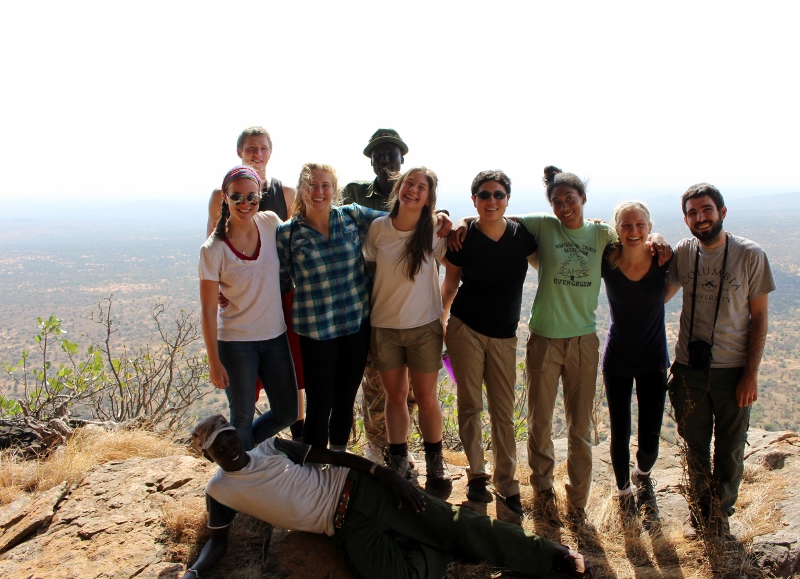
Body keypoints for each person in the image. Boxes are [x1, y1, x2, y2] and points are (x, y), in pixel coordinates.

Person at [180, 414, 596, 579]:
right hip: (342, 527)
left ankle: (552, 555)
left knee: (460, 524)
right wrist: (195, 573)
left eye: (230, 438)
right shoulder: (219, 490)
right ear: (209, 456)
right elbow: (218, 541)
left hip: (363, 490)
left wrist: (386, 475)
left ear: (238, 434)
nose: (230, 448)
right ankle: (437, 547)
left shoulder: (270, 448)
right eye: (220, 448)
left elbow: (331, 456)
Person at [665, 183, 775, 539]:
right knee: (694, 446)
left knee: (730, 448)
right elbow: (660, 294)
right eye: (693, 213)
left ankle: (720, 515)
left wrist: (750, 374)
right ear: (686, 219)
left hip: (732, 370)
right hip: (688, 369)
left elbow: (759, 319)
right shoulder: (684, 251)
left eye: (707, 210)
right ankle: (700, 513)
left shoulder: (749, 254)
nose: (700, 218)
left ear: (722, 212)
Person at [440, 170, 537, 515]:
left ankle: (508, 485)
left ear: (508, 199)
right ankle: (478, 476)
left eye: (498, 194)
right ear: (474, 200)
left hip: (504, 336)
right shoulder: (463, 239)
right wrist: (441, 322)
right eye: (484, 195)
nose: (491, 200)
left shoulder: (522, 235)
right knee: (469, 405)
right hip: (465, 328)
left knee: (503, 412)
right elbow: (450, 286)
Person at [206, 126, 306, 443]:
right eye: (251, 148)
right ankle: (242, 456)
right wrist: (219, 282)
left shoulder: (281, 201)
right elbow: (212, 242)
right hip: (240, 319)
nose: (257, 154)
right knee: (244, 406)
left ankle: (285, 445)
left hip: (280, 302)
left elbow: (298, 242)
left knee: (294, 386)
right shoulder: (215, 238)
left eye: (263, 148)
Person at [276, 163, 385, 450]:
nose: (318, 191)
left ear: (334, 190)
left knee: (345, 398)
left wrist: (439, 217)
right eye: (311, 185)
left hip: (355, 324)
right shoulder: (287, 233)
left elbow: (396, 222)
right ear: (302, 190)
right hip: (316, 331)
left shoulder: (352, 216)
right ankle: (313, 466)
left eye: (325, 185)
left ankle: (338, 457)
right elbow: (276, 279)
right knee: (320, 401)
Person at [363, 167, 450, 486]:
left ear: (429, 197)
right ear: (399, 187)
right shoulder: (378, 229)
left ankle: (435, 463)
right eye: (409, 184)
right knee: (395, 396)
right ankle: (399, 461)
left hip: (424, 327)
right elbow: (372, 270)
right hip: (384, 327)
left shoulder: (434, 230)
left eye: (421, 187)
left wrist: (444, 311)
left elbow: (452, 271)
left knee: (426, 398)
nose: (413, 190)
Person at [341, 128, 417, 465]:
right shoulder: (355, 193)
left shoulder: (415, 192)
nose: (385, 159)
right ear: (370, 161)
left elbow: (433, 217)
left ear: (403, 158)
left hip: (408, 303)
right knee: (375, 380)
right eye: (378, 154)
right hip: (368, 302)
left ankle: (401, 447)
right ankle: (375, 445)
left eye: (391, 153)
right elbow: (338, 220)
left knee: (409, 384)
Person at [601, 201, 671, 529]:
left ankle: (642, 475)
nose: (634, 231)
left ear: (648, 226)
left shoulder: (662, 259)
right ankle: (623, 491)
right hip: (617, 358)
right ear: (617, 229)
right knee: (620, 430)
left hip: (653, 358)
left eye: (641, 225)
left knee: (651, 434)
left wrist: (659, 238)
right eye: (627, 225)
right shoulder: (607, 259)